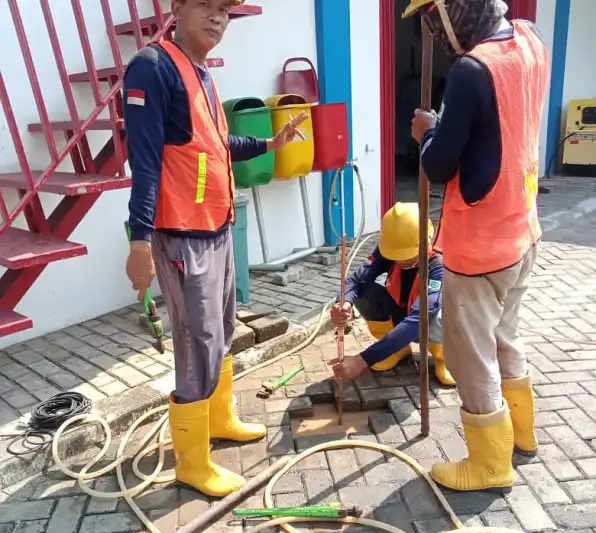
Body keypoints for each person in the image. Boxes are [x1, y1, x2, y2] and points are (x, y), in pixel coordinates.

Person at [122, 0, 306, 498]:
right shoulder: (152, 68)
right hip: (181, 234)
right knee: (196, 341)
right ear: (178, 7)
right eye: (205, 5)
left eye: (224, 9)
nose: (217, 18)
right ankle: (192, 462)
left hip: (216, 227)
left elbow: (216, 146)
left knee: (221, 330)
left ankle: (220, 418)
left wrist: (271, 143)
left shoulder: (200, 73)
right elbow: (144, 163)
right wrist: (139, 240)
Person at [405, 0, 549, 492]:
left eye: (432, 21)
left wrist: (427, 134)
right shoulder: (530, 38)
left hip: (481, 247)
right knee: (507, 334)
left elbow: (442, 164)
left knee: (473, 356)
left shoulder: (471, 70)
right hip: (521, 230)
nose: (436, 35)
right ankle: (522, 435)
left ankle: (490, 465)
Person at [330, 202, 455, 387]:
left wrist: (363, 360)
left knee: (440, 314)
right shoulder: (389, 249)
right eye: (397, 254)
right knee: (365, 292)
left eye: (407, 254)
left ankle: (444, 356)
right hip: (402, 315)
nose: (401, 260)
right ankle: (396, 349)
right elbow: (356, 280)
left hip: (425, 321)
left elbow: (419, 319)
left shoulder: (439, 264)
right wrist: (343, 302)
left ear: (426, 241)